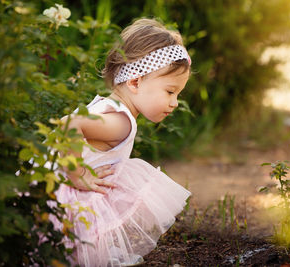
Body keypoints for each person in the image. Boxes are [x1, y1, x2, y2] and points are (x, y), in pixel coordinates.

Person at [54, 18, 192, 267]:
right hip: (61, 205)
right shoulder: (120, 122)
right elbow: (68, 123)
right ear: (135, 82)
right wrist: (77, 173)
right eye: (170, 92)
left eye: (178, 94)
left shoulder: (109, 108)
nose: (174, 102)